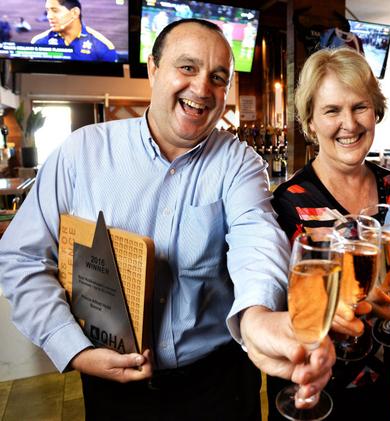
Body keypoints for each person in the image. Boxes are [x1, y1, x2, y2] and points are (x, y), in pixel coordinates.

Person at [0, 18, 335, 420]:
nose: (201, 89)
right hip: (112, 386)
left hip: (218, 386)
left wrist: (258, 318)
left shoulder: (238, 162)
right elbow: (22, 257)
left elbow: (257, 238)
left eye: (217, 77)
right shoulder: (81, 153)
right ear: (153, 70)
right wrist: (73, 347)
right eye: (188, 67)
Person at [268, 47, 390, 421]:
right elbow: (277, 304)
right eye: (332, 111)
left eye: (360, 106)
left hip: (382, 384)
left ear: (375, 110)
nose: (349, 124)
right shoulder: (287, 202)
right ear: (310, 122)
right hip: (313, 389)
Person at [30, 0, 118, 62]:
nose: (49, 16)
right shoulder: (39, 42)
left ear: (75, 13)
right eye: (48, 11)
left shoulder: (103, 47)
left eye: (55, 10)